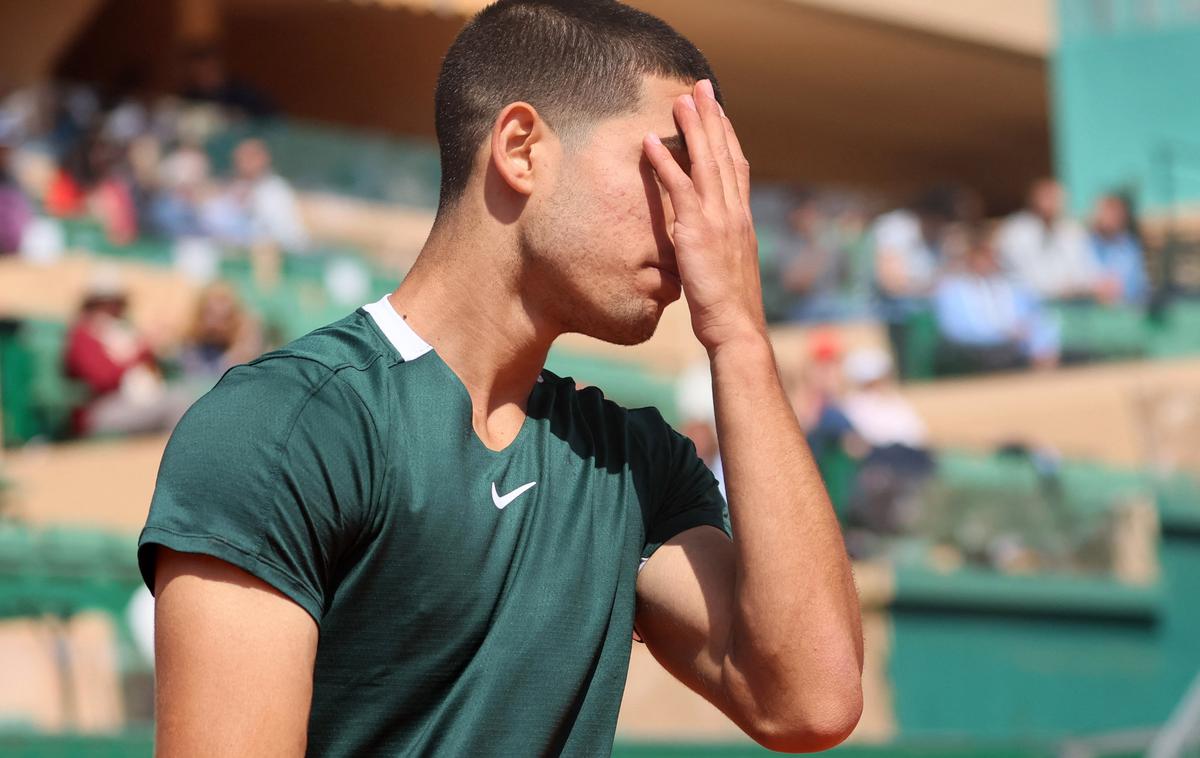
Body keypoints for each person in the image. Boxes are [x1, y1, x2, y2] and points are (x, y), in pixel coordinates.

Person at [138, 2, 864, 756]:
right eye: (668, 168)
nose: (695, 224)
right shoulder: (285, 426)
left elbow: (810, 701)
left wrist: (741, 335)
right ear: (521, 148)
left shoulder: (634, 465)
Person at [63, 268, 190, 436]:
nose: (112, 309)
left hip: (136, 401)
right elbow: (102, 379)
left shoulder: (124, 331)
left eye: (116, 303)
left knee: (179, 396)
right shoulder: (83, 335)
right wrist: (141, 350)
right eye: (104, 303)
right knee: (175, 403)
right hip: (101, 409)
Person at [934, 224, 1060, 372]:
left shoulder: (1012, 286)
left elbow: (1036, 316)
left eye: (989, 255)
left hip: (1016, 345)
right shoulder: (952, 290)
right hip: (979, 350)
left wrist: (1030, 334)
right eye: (979, 255)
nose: (985, 261)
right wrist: (1001, 333)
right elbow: (956, 330)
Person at [996, 178, 1119, 302]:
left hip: (1074, 305)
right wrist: (1062, 289)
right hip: (1030, 306)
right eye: (1047, 197)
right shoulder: (1016, 232)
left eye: (1056, 197)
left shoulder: (1071, 231)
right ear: (1034, 199)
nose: (1052, 202)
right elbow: (1025, 280)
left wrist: (1096, 284)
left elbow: (1087, 269)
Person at [176, 282, 264, 380]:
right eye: (211, 314)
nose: (216, 323)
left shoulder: (242, 336)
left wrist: (242, 346)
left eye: (224, 317)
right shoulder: (191, 340)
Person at [1089, 193, 1149, 305]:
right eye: (1106, 213)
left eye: (1114, 214)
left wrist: (1115, 288)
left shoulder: (1130, 247)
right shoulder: (1086, 244)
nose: (1109, 218)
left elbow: (1137, 284)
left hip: (1125, 310)